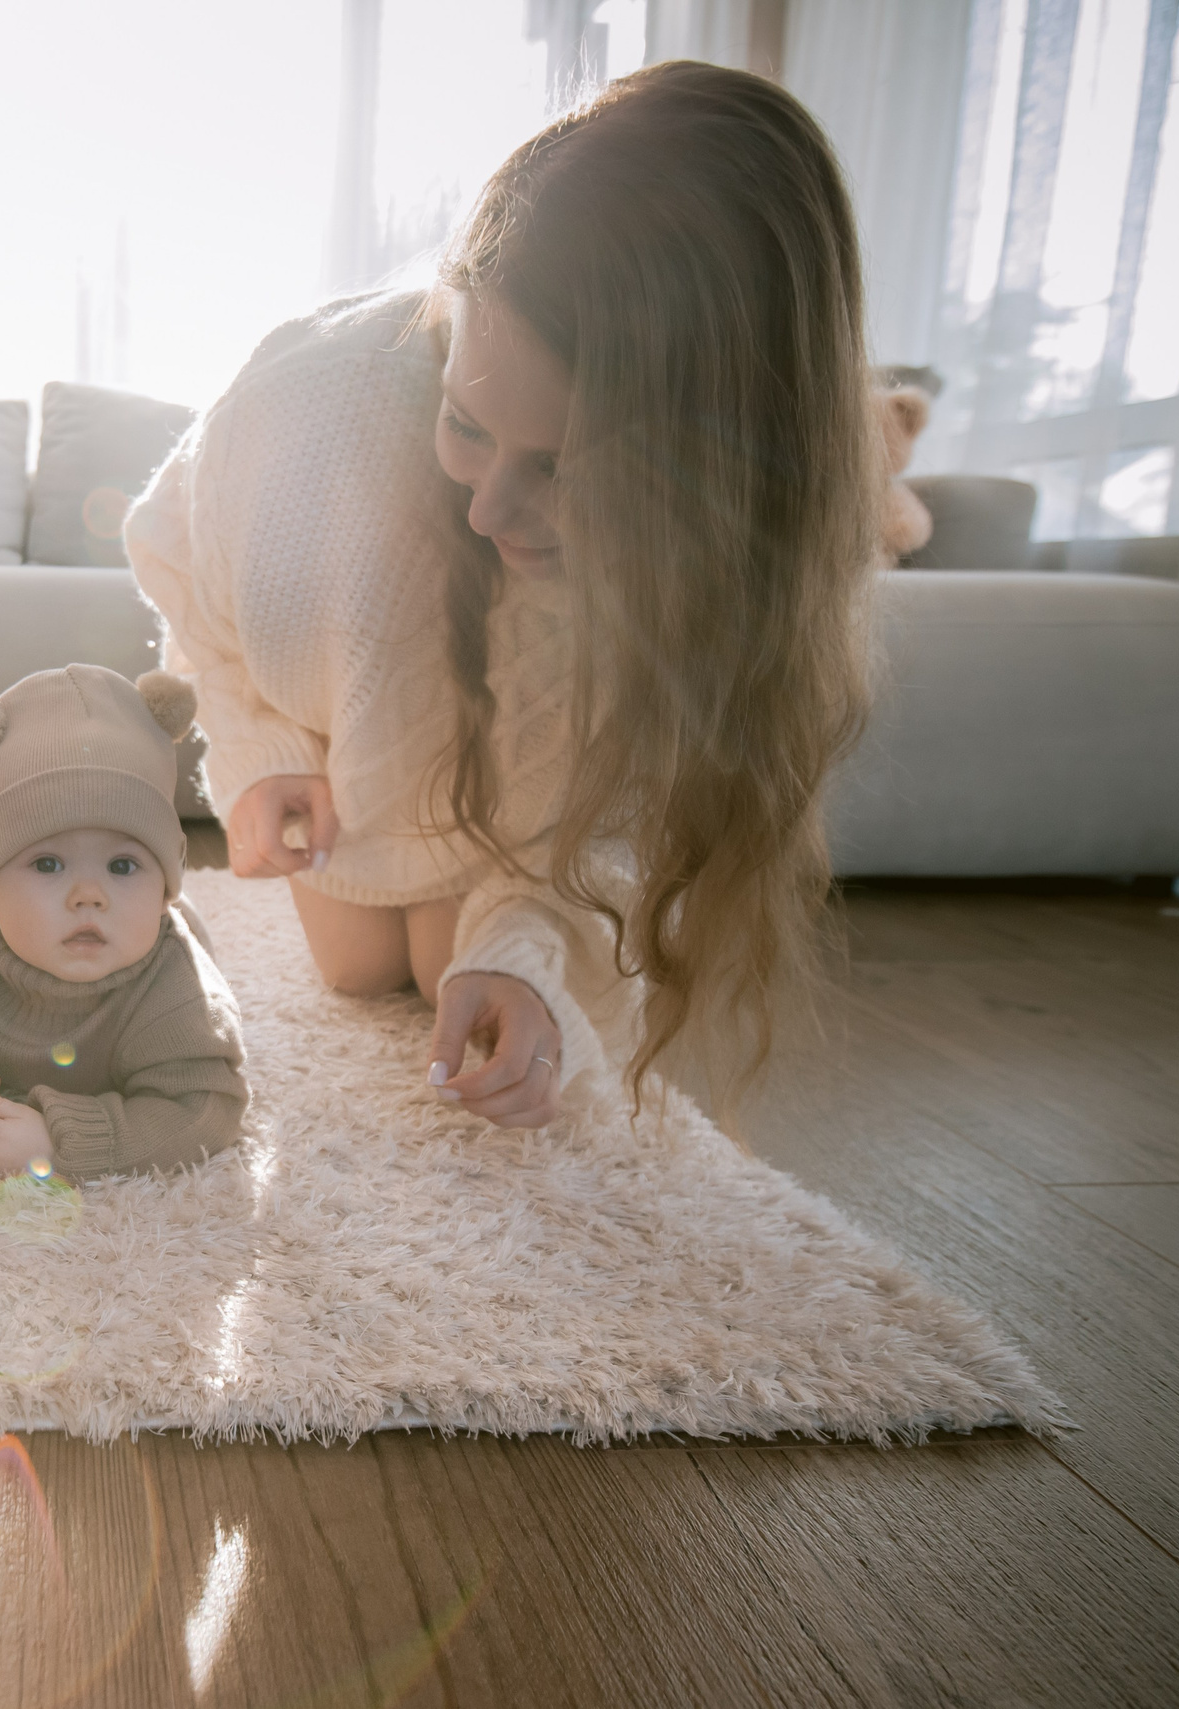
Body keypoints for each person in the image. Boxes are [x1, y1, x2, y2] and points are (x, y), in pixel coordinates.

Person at [127, 61, 879, 1132]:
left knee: (463, 974)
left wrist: (526, 959)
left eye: (568, 470)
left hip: (524, 810)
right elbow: (174, 557)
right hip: (352, 755)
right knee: (354, 969)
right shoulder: (305, 400)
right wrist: (261, 752)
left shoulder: (735, 561)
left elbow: (627, 823)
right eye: (468, 428)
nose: (489, 510)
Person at [0, 665, 247, 1178]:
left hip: (160, 942)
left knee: (192, 937)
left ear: (162, 893)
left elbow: (204, 1109)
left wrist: (60, 1142)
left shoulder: (175, 982)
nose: (88, 896)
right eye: (47, 864)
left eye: (122, 866)